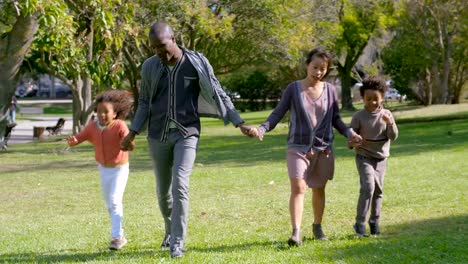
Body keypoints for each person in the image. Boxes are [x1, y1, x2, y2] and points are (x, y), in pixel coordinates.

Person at [119, 21, 252, 258]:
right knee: (163, 192)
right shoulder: (150, 66)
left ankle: (177, 243)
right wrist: (133, 132)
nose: (158, 51)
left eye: (161, 45)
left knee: (180, 183)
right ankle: (170, 230)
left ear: (174, 38)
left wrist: (238, 121)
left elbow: (217, 91)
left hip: (187, 132)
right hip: (158, 134)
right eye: (154, 48)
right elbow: (145, 102)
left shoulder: (196, 62)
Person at [250, 47, 361, 245]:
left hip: (323, 148)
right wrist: (262, 129)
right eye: (315, 67)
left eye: (322, 68)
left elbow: (335, 119)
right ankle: (296, 232)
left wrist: (350, 133)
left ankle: (317, 226)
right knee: (299, 187)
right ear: (307, 65)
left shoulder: (330, 90)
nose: (318, 72)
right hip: (297, 146)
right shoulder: (293, 89)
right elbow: (277, 113)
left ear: (326, 70)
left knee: (318, 189)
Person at [67, 90, 134, 250]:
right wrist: (73, 141)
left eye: (106, 112)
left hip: (119, 169)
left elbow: (129, 142)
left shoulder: (119, 125)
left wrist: (128, 143)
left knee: (115, 201)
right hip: (104, 170)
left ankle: (117, 237)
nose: (102, 115)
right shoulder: (92, 127)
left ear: (115, 113)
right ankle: (119, 234)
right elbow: (79, 137)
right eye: (99, 112)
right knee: (109, 204)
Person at [348, 76, 398, 237]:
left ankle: (374, 222)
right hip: (364, 157)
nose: (372, 102)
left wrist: (390, 123)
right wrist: (353, 142)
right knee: (368, 187)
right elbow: (350, 139)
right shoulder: (359, 116)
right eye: (368, 99)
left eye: (376, 99)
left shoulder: (387, 114)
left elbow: (393, 136)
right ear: (362, 98)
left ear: (382, 97)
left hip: (381, 159)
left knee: (378, 191)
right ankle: (359, 224)